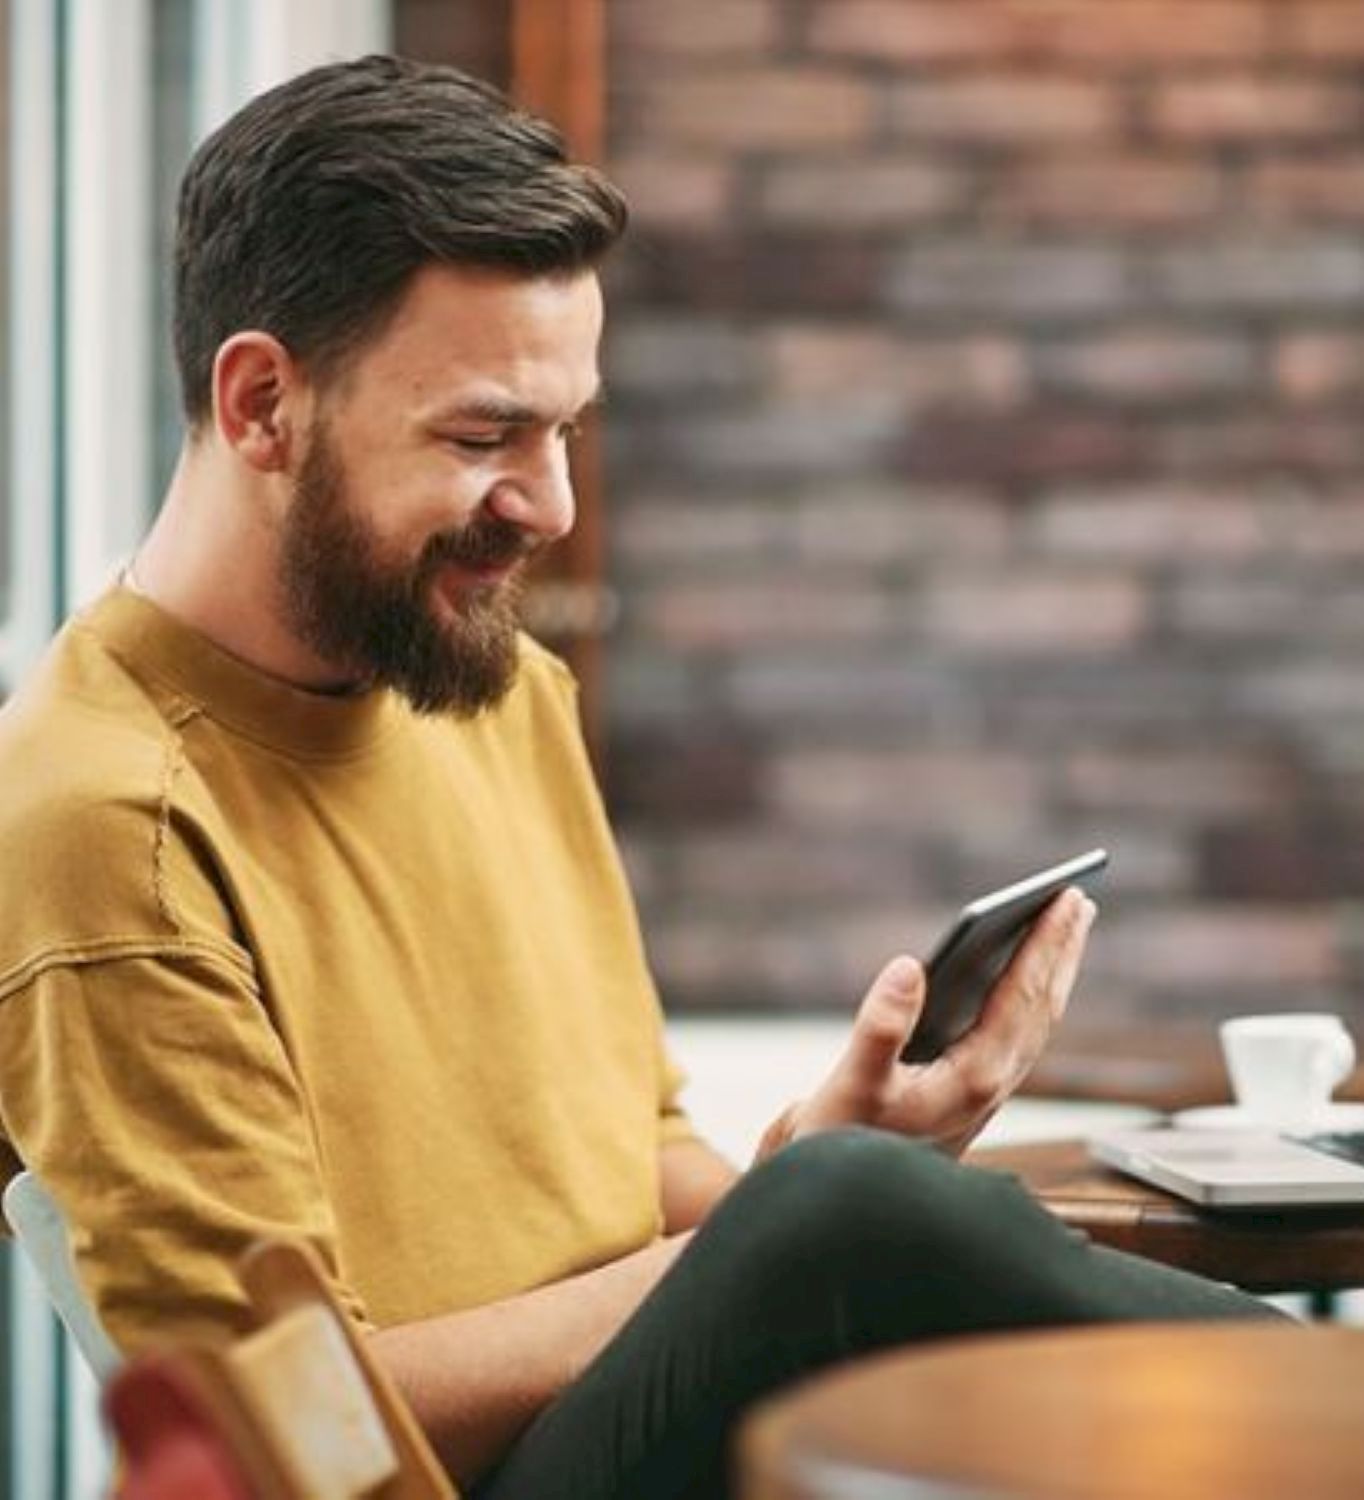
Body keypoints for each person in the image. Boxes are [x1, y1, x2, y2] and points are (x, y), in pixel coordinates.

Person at [0, 54, 1276, 1500]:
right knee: (855, 1218)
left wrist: (799, 1177)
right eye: (483, 438)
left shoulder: (479, 683)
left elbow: (637, 1151)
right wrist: (783, 1239)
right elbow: (289, 1440)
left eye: (566, 432)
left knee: (883, 1227)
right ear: (259, 407)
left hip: (654, 1440)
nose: (548, 503)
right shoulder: (109, 823)